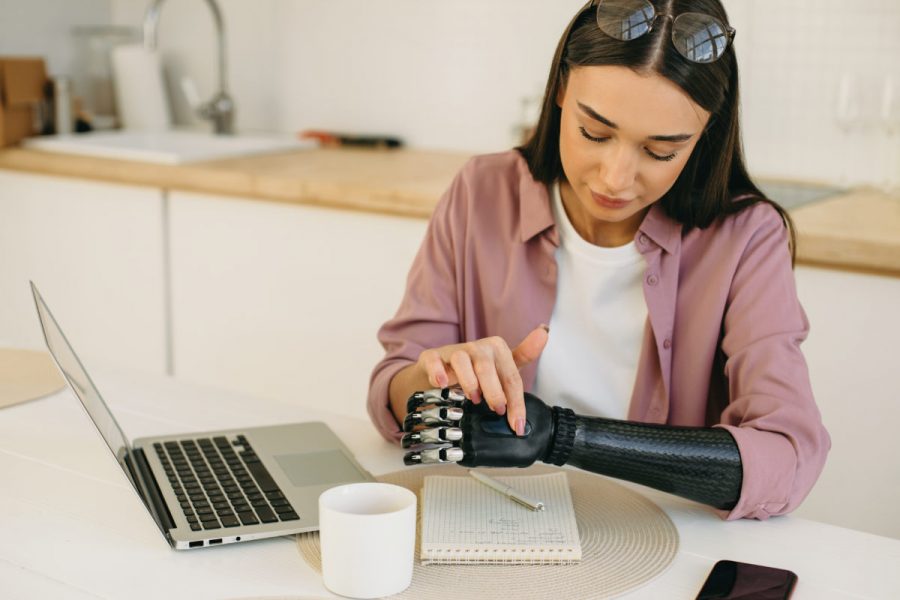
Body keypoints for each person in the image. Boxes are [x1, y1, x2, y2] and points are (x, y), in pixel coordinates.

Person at [367, 0, 830, 520]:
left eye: (661, 152)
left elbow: (787, 458)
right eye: (594, 133)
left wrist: (562, 437)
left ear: (705, 134)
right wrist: (439, 377)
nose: (615, 178)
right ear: (562, 89)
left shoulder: (746, 237)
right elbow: (393, 385)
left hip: (658, 534)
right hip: (490, 515)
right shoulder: (483, 191)